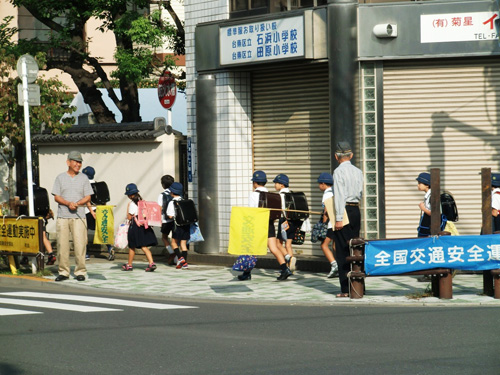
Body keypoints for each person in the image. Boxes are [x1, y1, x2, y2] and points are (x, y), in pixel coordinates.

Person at [52, 151, 94, 282]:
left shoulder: (84, 178)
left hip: (79, 216)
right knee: (62, 245)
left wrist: (78, 203)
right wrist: (68, 203)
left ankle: (80, 271)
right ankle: (63, 272)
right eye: (75, 161)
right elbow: (56, 196)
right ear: (68, 162)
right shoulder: (60, 178)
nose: (78, 164)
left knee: (80, 245)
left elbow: (88, 196)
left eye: (80, 162)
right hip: (63, 216)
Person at [246, 170, 292, 281]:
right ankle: (285, 269)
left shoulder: (253, 195)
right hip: (269, 223)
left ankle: (246, 273)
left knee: (252, 249)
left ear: (255, 183)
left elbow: (251, 212)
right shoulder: (271, 195)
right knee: (273, 248)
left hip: (258, 224)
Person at [332, 142, 364, 297]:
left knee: (343, 250)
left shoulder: (338, 172)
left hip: (343, 210)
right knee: (355, 248)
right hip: (355, 209)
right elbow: (361, 192)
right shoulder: (358, 171)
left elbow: (339, 195)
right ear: (351, 156)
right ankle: (359, 285)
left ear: (336, 157)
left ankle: (346, 289)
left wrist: (338, 218)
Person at [122, 183, 158, 271]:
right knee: (144, 246)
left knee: (132, 247)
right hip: (144, 226)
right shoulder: (142, 202)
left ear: (130, 195)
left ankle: (129, 265)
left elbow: (130, 217)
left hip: (135, 226)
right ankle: (151, 263)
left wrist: (127, 208)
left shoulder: (131, 204)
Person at [82, 166, 115, 261]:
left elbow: (87, 200)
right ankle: (110, 248)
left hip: (88, 211)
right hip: (101, 210)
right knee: (103, 230)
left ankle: (86, 253)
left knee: (85, 232)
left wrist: (92, 212)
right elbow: (104, 199)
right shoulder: (99, 185)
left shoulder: (85, 186)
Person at [274, 174, 298, 272]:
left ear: (282, 185)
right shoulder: (292, 194)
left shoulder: (280, 195)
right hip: (294, 221)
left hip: (284, 221)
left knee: (278, 244)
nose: (275, 185)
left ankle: (289, 258)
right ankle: (289, 267)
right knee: (288, 244)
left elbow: (279, 210)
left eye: (276, 183)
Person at [317, 172, 338, 278]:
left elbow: (327, 210)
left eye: (319, 184)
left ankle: (334, 265)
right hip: (337, 222)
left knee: (324, 245)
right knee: (335, 245)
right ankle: (341, 263)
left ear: (323, 184)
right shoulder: (334, 191)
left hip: (330, 224)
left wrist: (323, 224)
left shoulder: (327, 193)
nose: (318, 186)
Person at [166, 182, 191, 269]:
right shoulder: (184, 201)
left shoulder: (172, 203)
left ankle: (180, 259)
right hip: (186, 225)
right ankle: (184, 263)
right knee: (183, 244)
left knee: (173, 243)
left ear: (172, 192)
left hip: (177, 225)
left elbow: (170, 215)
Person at [157, 175, 176, 265]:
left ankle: (172, 253)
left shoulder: (162, 195)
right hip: (176, 220)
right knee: (175, 240)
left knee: (164, 238)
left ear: (163, 185)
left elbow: (159, 208)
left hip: (165, 220)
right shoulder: (176, 193)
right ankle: (177, 258)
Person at [416, 172, 432, 237]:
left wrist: (423, 208)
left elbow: (433, 214)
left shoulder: (431, 196)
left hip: (429, 231)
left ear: (427, 185)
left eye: (419, 183)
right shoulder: (428, 195)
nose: (418, 185)